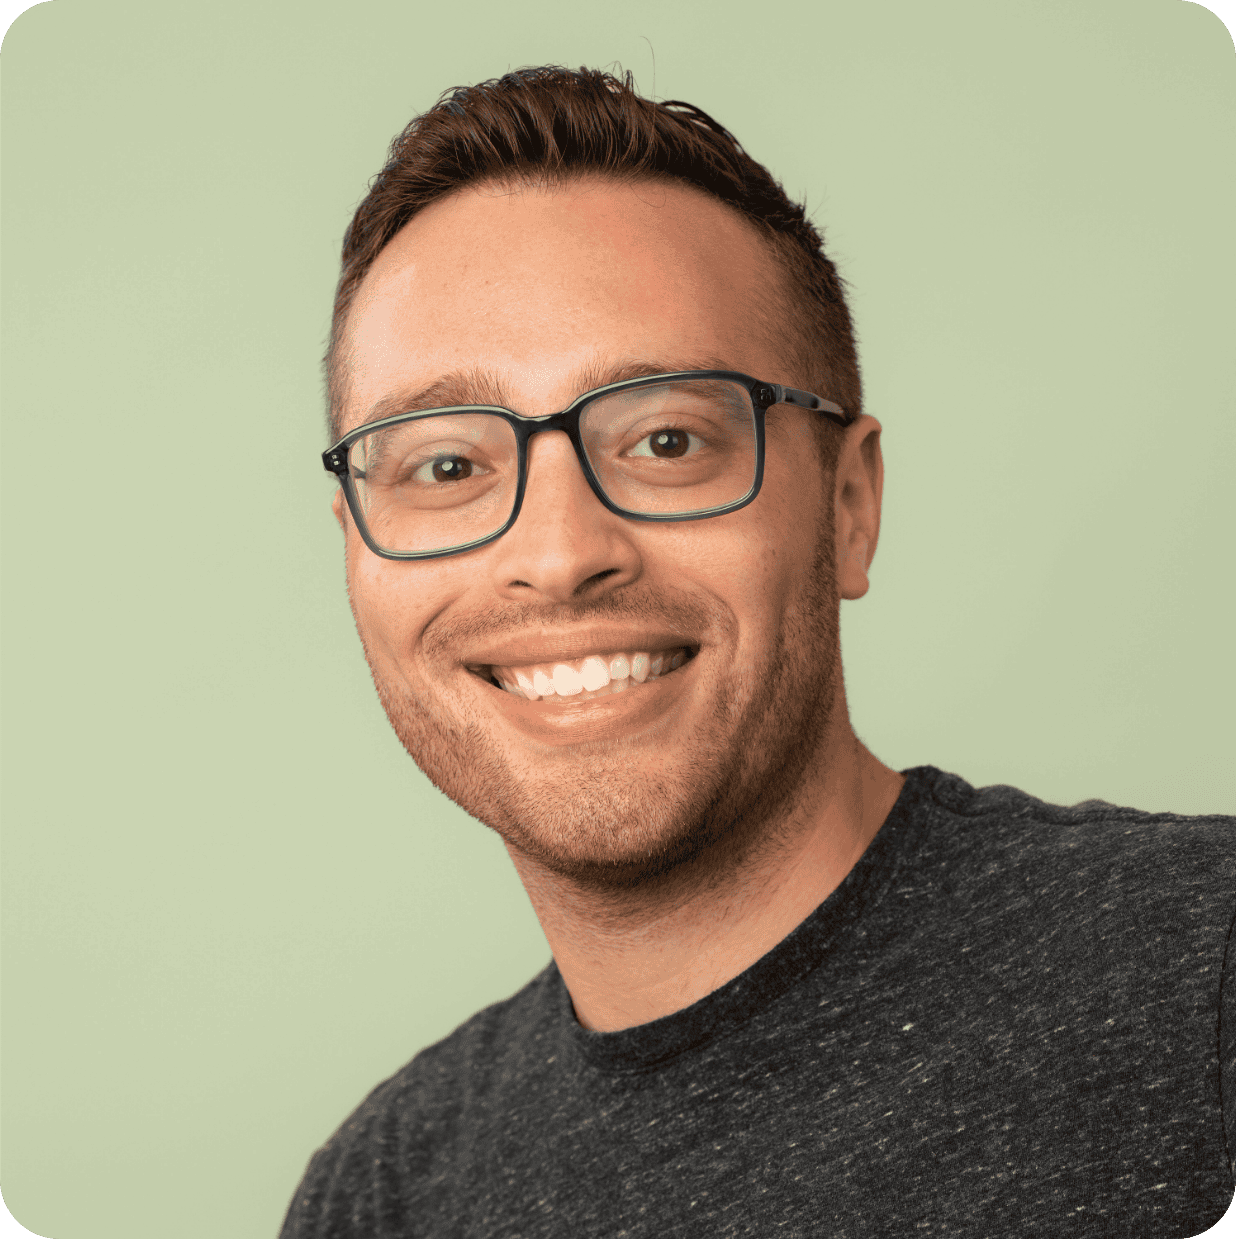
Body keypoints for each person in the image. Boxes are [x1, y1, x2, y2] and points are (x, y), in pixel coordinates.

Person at [281, 66, 1234, 1237]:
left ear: (848, 504)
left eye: (667, 440)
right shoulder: (380, 1198)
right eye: (445, 466)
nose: (560, 553)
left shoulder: (1203, 979)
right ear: (354, 548)